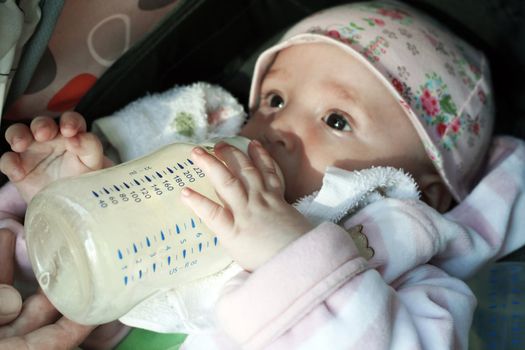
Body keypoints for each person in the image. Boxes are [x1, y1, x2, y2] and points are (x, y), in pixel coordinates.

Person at [1, 0, 524, 348]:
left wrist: (289, 256)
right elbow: (90, 301)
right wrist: (65, 213)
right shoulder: (200, 181)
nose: (277, 127)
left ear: (420, 192)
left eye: (336, 120)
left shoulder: (410, 264)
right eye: (273, 99)